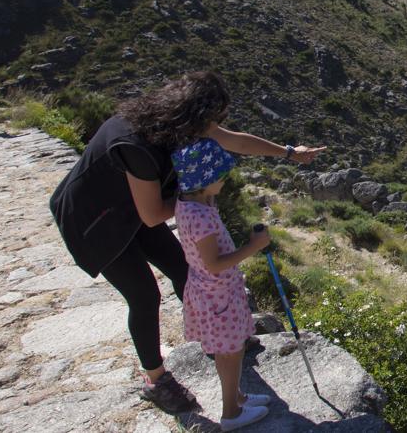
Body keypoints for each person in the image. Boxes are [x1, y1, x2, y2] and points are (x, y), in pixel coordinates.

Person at [49, 72, 324, 414]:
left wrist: (288, 153)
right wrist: (198, 199)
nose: (216, 126)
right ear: (193, 115)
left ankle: (219, 338)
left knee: (184, 268)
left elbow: (234, 141)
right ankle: (156, 380)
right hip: (95, 222)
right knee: (145, 295)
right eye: (212, 119)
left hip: (131, 208)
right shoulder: (135, 143)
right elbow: (152, 215)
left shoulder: (172, 123)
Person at [172, 137, 270, 430]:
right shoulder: (200, 216)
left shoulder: (192, 201)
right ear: (205, 181)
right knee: (229, 351)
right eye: (221, 177)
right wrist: (255, 245)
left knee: (232, 348)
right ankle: (231, 414)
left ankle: (237, 396)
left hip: (215, 291)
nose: (226, 181)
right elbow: (214, 263)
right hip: (218, 295)